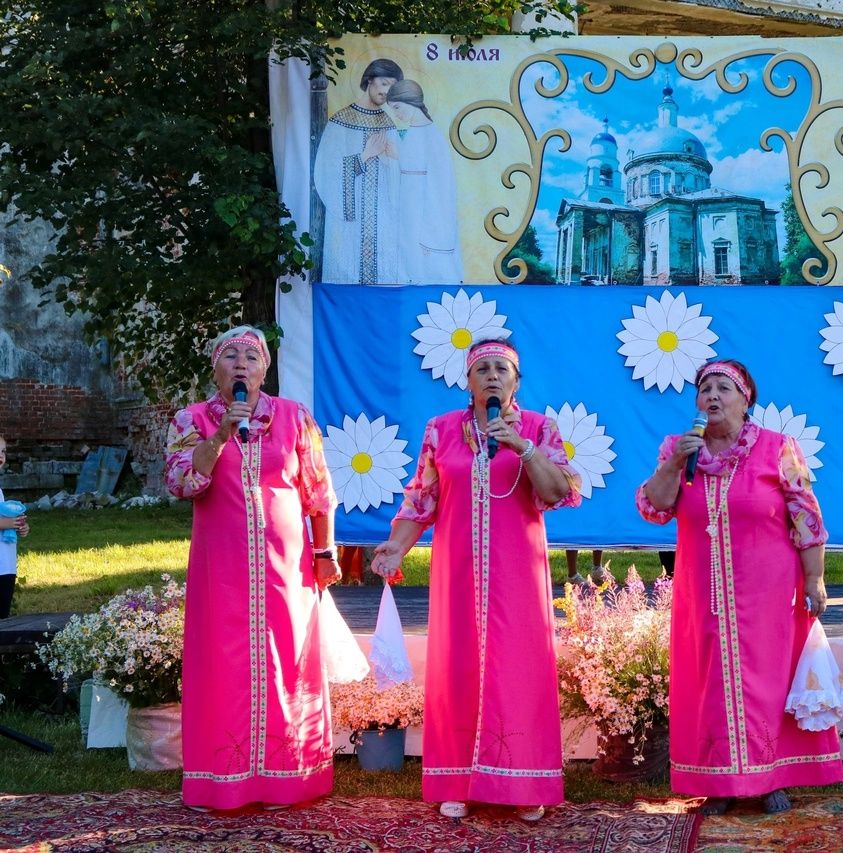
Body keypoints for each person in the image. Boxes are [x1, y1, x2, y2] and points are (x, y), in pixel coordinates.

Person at [370, 338, 581, 822]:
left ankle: (525, 784)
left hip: (518, 573)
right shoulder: (441, 430)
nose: (491, 376)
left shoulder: (537, 429)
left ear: (516, 382)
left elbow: (559, 491)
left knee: (520, 667)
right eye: (481, 368)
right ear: (466, 381)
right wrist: (396, 546)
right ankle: (459, 781)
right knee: (458, 666)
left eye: (501, 369)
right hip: (458, 572)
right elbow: (420, 499)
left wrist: (523, 448)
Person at [637, 359, 843, 815]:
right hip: (703, 592)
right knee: (709, 681)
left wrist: (815, 577)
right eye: (704, 388)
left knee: (768, 679)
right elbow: (654, 508)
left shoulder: (777, 447)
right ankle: (720, 782)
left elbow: (806, 516)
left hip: (768, 591)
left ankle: (770, 778)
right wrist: (674, 463)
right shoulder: (679, 448)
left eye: (723, 388)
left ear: (746, 398)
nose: (712, 396)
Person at [164, 325, 340, 811]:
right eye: (231, 356)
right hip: (220, 568)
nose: (241, 364)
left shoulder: (294, 416)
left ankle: (291, 777)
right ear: (215, 369)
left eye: (251, 357)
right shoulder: (192, 419)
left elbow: (318, 492)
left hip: (287, 568)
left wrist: (324, 554)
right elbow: (182, 482)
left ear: (265, 369)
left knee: (289, 662)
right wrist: (221, 433)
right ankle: (223, 781)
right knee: (223, 662)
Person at [312, 59, 404, 284]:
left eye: (392, 87)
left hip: (385, 222)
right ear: (369, 80)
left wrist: (392, 160)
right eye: (383, 83)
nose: (386, 91)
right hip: (349, 226)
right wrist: (364, 156)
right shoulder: (340, 121)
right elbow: (326, 172)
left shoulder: (392, 123)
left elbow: (404, 173)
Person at [382, 79, 463, 284]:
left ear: (411, 102)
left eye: (398, 107)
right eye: (393, 109)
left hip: (424, 218)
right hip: (406, 212)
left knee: (425, 272)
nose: (396, 114)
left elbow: (442, 189)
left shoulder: (433, 137)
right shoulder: (405, 133)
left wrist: (433, 236)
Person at [0, 436, 30, 619]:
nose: (0, 456)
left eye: (3, 451)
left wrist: (19, 526)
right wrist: (6, 523)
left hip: (6, 564)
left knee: (3, 615)